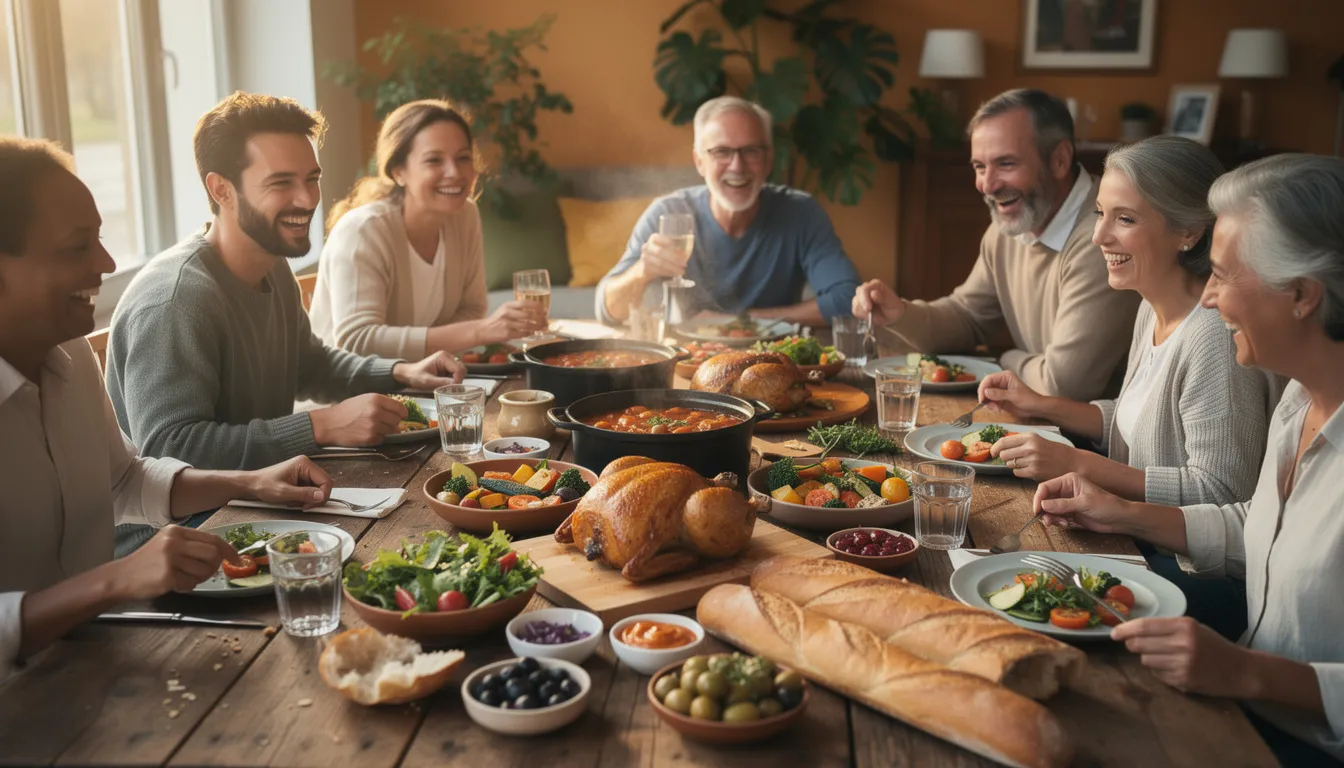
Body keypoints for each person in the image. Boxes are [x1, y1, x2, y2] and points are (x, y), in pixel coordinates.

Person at [1033, 154, 1344, 765]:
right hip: (1242, 705)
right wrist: (1120, 513)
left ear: (1303, 296)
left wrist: (1247, 673)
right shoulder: (1296, 403)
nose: (1207, 298)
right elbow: (1255, 529)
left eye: (1223, 276)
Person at [0, 136, 336, 678]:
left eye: (101, 241)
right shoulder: (174, 296)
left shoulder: (66, 352)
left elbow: (125, 480)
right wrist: (116, 579)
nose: (106, 264)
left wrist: (248, 483)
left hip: (99, 657)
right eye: (75, 248)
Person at [106, 91, 466, 476]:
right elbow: (169, 449)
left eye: (312, 179)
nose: (307, 199)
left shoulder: (272, 267)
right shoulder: (175, 300)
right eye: (281, 183)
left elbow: (309, 366)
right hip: (184, 528)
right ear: (221, 189)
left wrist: (401, 372)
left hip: (260, 498)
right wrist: (322, 425)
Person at [978, 136, 1284, 507]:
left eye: (1125, 219)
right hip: (1128, 534)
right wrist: (1039, 404)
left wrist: (1078, 463)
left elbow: (1221, 492)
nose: (1098, 237)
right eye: (1099, 213)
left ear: (1189, 231)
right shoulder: (1150, 308)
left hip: (1172, 561)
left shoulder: (1215, 336)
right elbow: (1138, 429)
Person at [853, 88, 1140, 400]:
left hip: (1096, 442)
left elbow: (1063, 386)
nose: (987, 186)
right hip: (1039, 422)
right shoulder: (1012, 225)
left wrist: (1005, 358)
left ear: (1059, 160)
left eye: (1005, 164)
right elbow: (968, 316)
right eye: (979, 166)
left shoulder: (1102, 239)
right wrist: (901, 313)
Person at [596, 96, 861, 328]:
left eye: (751, 151)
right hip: (687, 360)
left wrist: (740, 321)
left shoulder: (801, 212)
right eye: (721, 151)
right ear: (699, 161)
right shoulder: (667, 213)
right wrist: (643, 270)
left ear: (768, 159)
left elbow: (848, 298)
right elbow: (606, 310)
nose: (737, 166)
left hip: (772, 362)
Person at [309, 99, 545, 358]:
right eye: (434, 160)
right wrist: (481, 331)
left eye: (463, 158)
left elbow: (472, 308)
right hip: (348, 394)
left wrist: (450, 344)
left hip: (421, 383)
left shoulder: (465, 215)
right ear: (399, 172)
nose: (454, 172)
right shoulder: (363, 230)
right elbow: (357, 340)